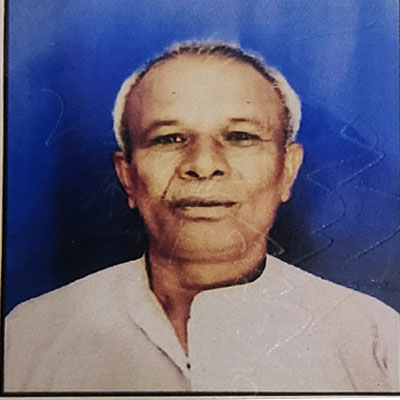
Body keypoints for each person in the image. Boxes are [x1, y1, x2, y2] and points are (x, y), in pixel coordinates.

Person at [4, 42, 399, 392]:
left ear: (287, 171)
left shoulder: (374, 339)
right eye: (169, 138)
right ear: (127, 177)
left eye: (240, 136)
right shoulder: (31, 334)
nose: (203, 164)